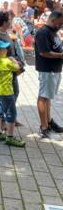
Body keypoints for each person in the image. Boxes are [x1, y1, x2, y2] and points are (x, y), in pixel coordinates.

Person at [0, 41, 25, 147]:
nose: (7, 50)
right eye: (4, 49)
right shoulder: (7, 62)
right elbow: (18, 67)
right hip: (7, 93)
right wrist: (13, 59)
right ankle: (10, 137)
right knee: (11, 114)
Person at [0, 11, 24, 126]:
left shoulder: (6, 33)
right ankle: (6, 119)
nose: (11, 22)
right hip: (5, 72)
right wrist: (11, 62)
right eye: (9, 20)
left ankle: (10, 117)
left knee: (15, 92)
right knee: (7, 95)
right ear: (4, 22)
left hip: (12, 69)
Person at [35, 10, 63, 139]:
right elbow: (44, 52)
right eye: (59, 23)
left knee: (48, 97)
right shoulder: (43, 32)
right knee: (43, 97)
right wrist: (61, 55)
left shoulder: (53, 31)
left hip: (55, 69)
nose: (60, 26)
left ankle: (49, 122)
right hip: (47, 69)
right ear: (52, 20)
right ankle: (44, 127)